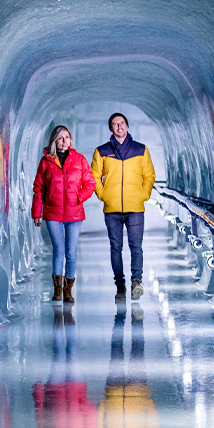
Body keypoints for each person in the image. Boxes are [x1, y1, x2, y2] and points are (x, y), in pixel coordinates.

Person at [90, 112, 156, 301]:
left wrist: (143, 194)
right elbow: (94, 176)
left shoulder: (141, 149)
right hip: (112, 210)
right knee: (115, 248)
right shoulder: (102, 151)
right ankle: (120, 286)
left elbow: (149, 175)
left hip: (135, 207)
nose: (119, 127)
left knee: (136, 247)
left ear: (127, 126)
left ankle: (137, 282)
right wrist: (103, 194)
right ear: (111, 129)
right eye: (115, 124)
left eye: (122, 123)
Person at [32, 124, 97, 304]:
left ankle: (68, 290)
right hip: (53, 212)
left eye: (67, 137)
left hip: (74, 212)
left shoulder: (79, 159)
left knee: (71, 251)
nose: (64, 141)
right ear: (54, 141)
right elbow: (39, 189)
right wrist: (37, 213)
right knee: (58, 250)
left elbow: (90, 183)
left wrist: (80, 196)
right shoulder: (45, 162)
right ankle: (57, 289)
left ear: (70, 140)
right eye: (60, 138)